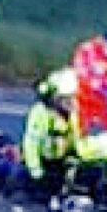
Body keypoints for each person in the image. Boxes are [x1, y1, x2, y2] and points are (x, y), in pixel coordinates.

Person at [20, 70, 79, 199]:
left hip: (61, 162)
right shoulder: (41, 113)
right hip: (41, 164)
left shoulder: (74, 115)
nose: (72, 102)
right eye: (67, 98)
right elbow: (31, 144)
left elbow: (78, 141)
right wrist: (37, 172)